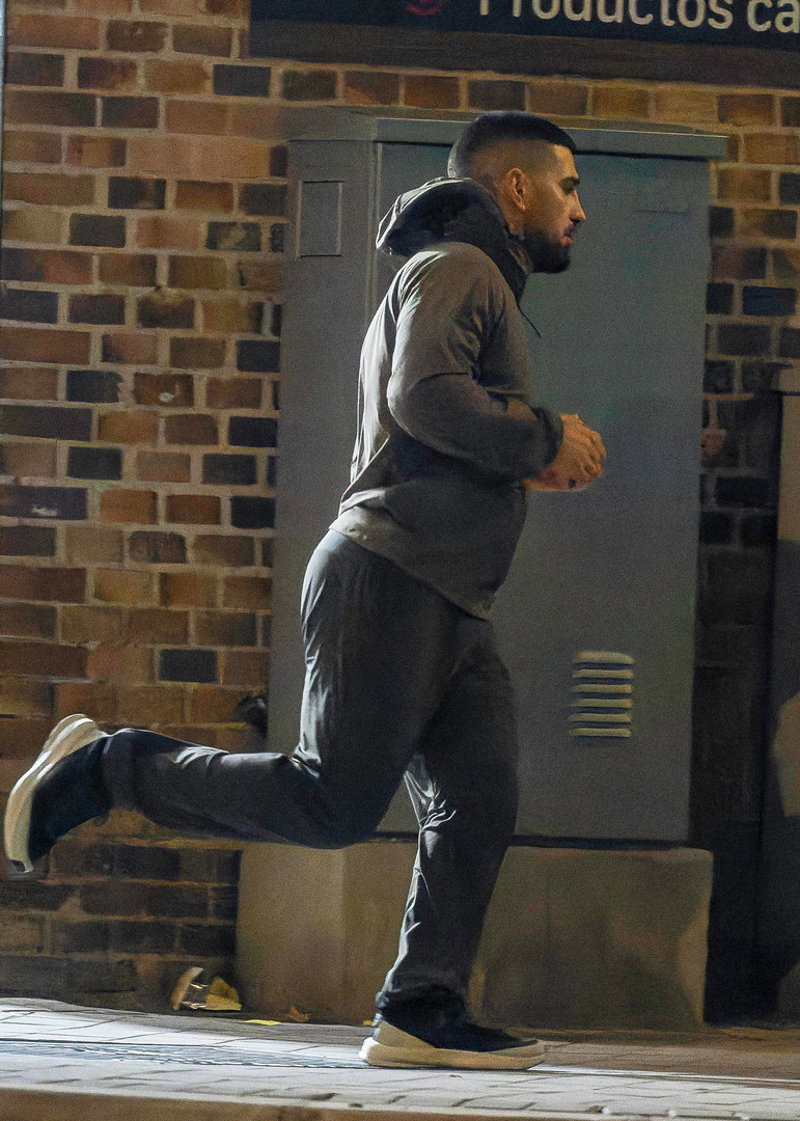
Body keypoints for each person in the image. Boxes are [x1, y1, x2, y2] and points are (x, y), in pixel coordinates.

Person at [4, 112, 605, 1071]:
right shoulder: (461, 267)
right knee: (332, 802)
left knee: (480, 797)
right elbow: (423, 396)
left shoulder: (468, 274)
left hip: (451, 595)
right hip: (394, 575)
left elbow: (437, 416)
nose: (580, 209)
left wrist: (520, 455)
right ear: (517, 188)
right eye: (568, 186)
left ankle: (421, 1005)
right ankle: (107, 768)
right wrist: (541, 437)